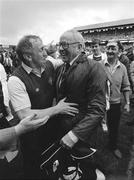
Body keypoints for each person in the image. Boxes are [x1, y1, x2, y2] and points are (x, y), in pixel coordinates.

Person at [8, 35, 78, 178]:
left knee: (54, 163)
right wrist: (57, 109)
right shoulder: (15, 80)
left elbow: (70, 60)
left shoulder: (49, 64)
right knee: (35, 169)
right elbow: (25, 115)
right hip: (32, 137)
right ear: (28, 56)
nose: (45, 53)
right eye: (41, 50)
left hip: (52, 129)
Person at [55, 30, 108, 180]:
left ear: (80, 47)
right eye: (60, 44)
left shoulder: (94, 67)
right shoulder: (60, 68)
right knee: (70, 173)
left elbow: (98, 109)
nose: (60, 48)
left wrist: (74, 135)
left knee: (89, 173)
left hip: (84, 137)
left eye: (65, 44)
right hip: (63, 133)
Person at [101, 40, 130, 158]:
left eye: (113, 48)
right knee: (94, 126)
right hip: (100, 103)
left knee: (114, 127)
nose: (110, 51)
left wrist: (127, 102)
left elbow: (126, 86)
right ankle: (91, 148)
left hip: (115, 103)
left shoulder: (122, 67)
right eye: (108, 48)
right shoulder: (99, 65)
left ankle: (113, 146)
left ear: (119, 51)